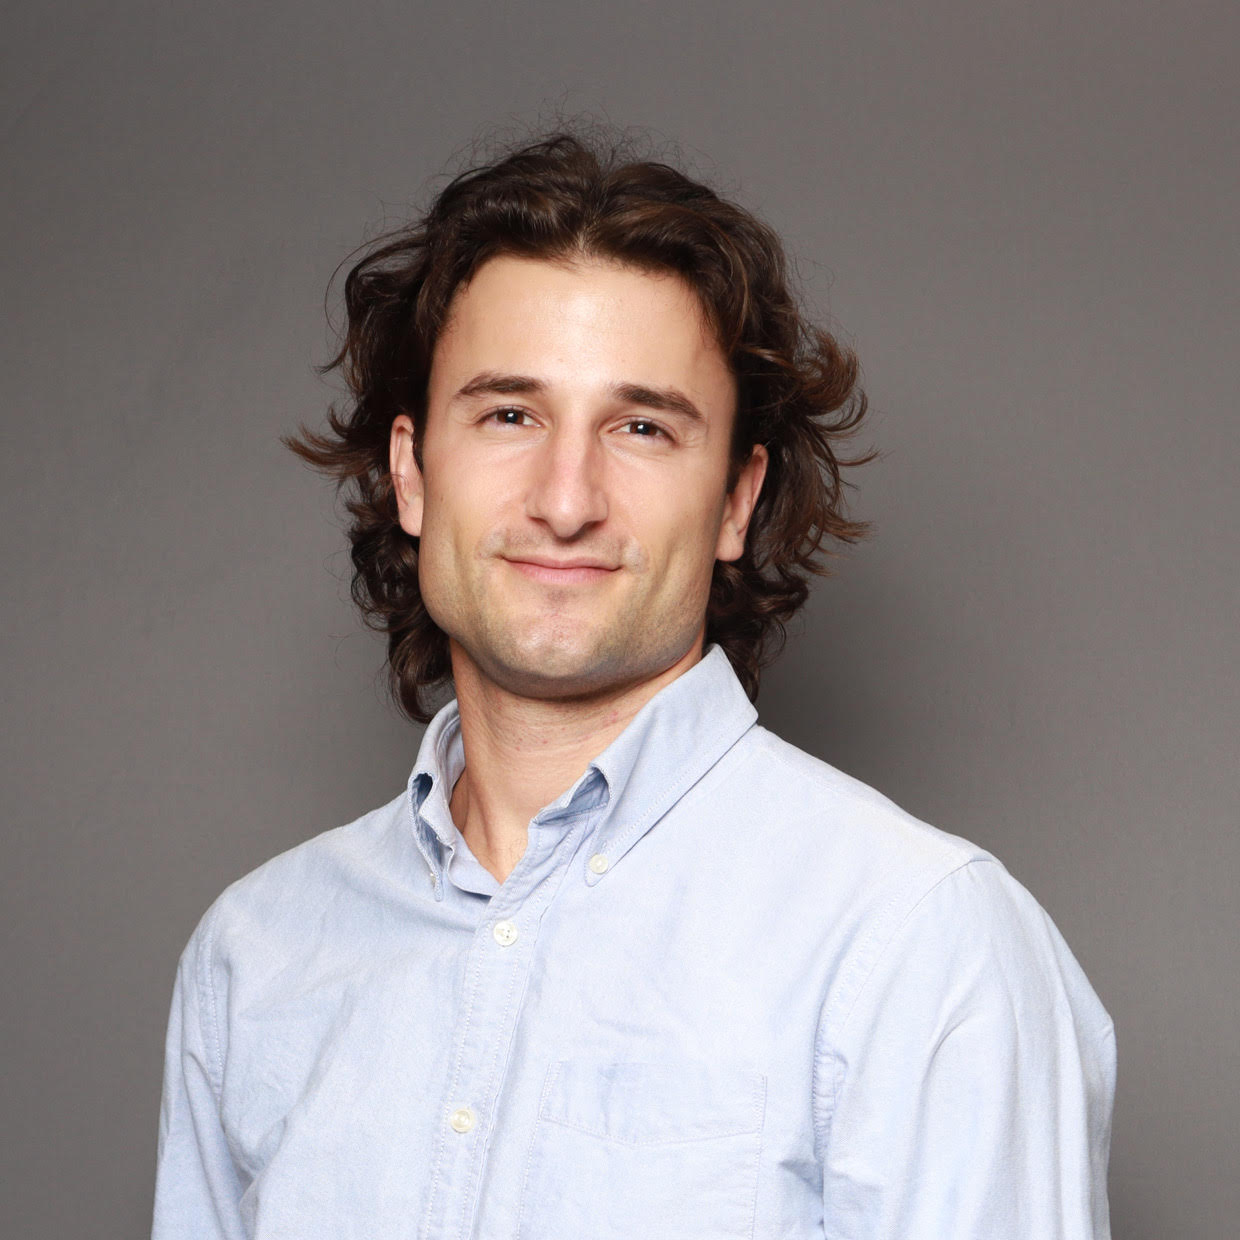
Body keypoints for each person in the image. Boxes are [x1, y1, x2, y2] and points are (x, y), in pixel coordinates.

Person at [152, 130, 1115, 1239]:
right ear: (412, 472)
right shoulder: (254, 956)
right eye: (509, 415)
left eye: (643, 427)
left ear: (736, 500)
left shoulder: (918, 942)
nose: (567, 500)